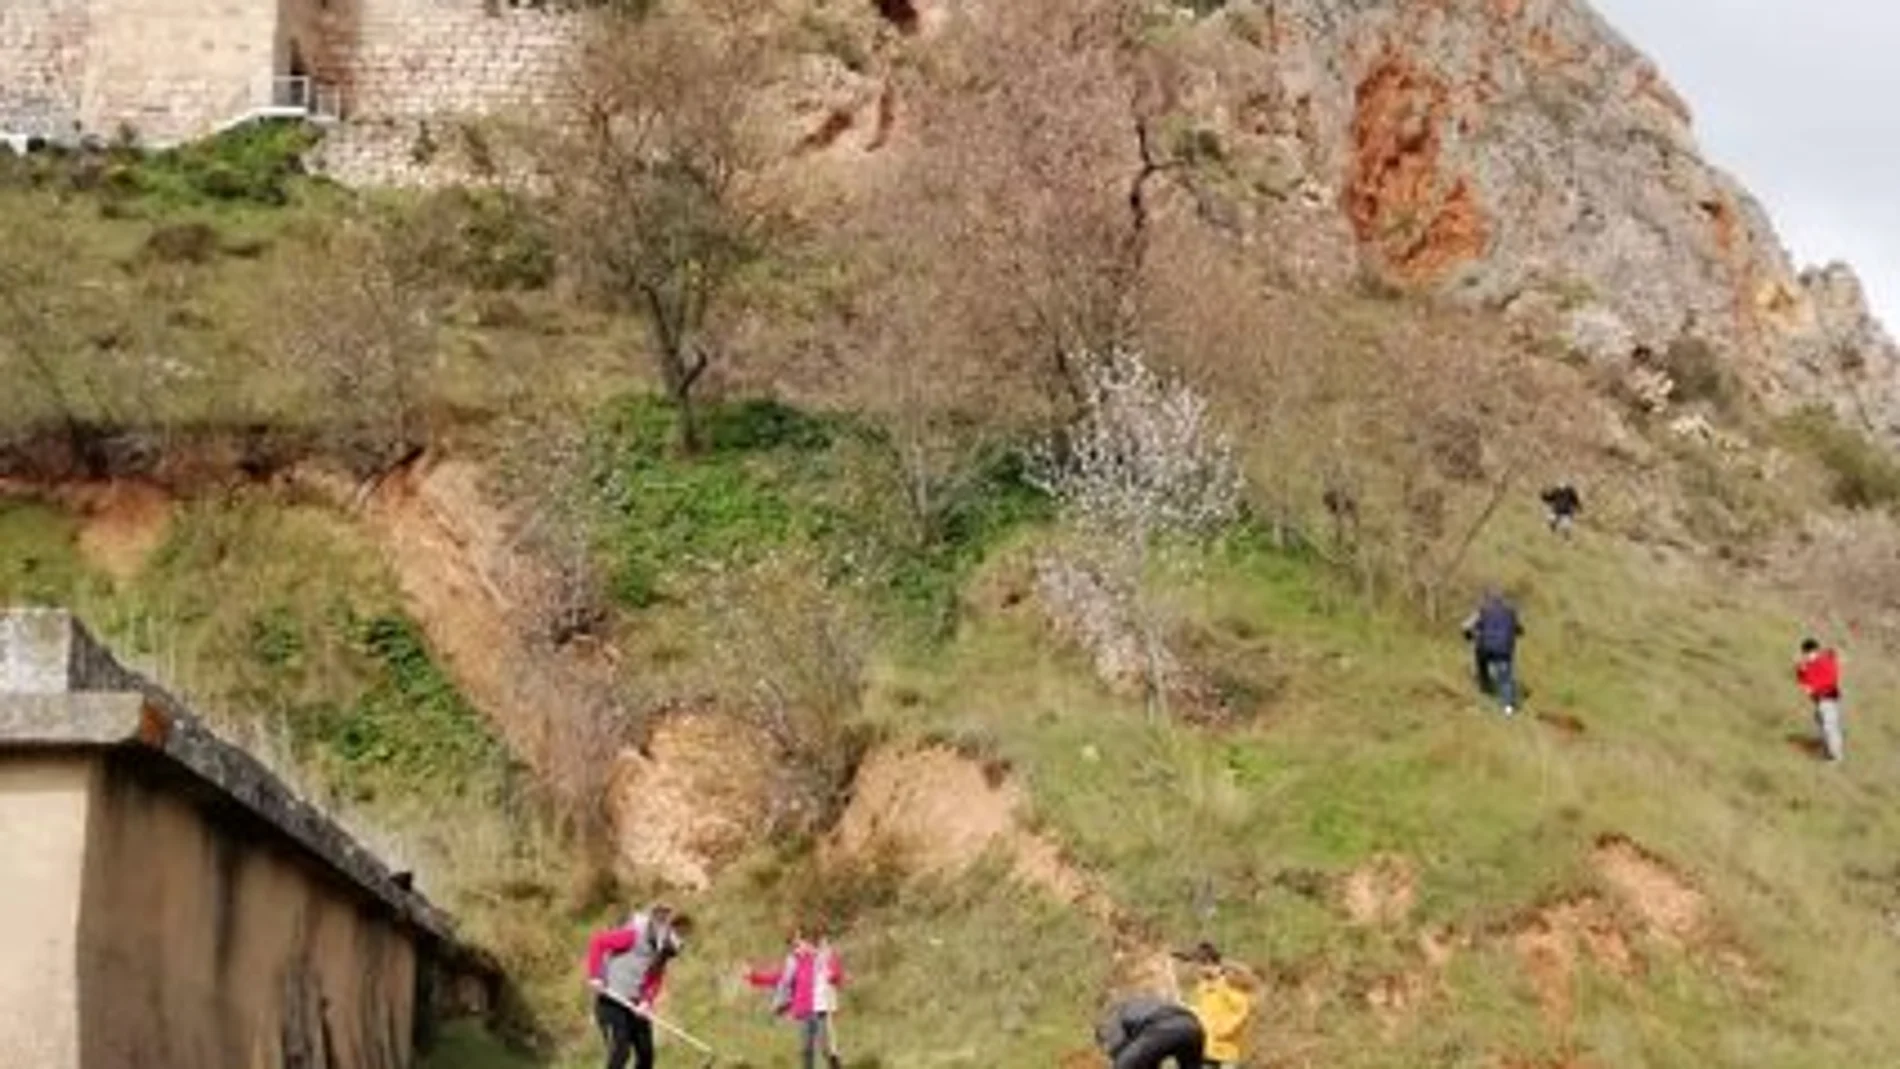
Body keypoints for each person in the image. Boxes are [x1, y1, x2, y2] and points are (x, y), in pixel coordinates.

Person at [584, 904, 694, 1069]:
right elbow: (598, 942)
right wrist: (595, 975)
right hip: (611, 1002)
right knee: (621, 1051)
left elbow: (655, 979)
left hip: (635, 1005)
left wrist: (646, 1002)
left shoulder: (662, 953)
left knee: (646, 1054)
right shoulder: (633, 936)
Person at [746, 922, 847, 1069]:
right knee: (806, 1050)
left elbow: (837, 976)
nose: (797, 946)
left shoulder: (822, 957)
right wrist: (755, 978)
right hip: (804, 1010)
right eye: (793, 944)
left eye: (799, 942)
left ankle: (836, 1065)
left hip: (821, 1010)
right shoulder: (794, 962)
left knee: (826, 1049)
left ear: (808, 941)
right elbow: (780, 979)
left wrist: (832, 975)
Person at [1181, 944, 1255, 1069]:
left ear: (1209, 963)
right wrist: (1190, 1010)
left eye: (1199, 965)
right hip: (1207, 1049)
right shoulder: (1203, 986)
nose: (1196, 970)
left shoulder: (1232, 982)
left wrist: (1222, 1031)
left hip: (1227, 1051)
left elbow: (1243, 1011)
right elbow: (1204, 1012)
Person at [1095, 995, 1206, 1069]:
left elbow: (1118, 1048)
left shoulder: (1112, 1020)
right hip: (1193, 1026)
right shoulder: (1140, 1006)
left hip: (1163, 1027)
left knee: (1122, 1065)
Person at [1461, 587, 1523, 717]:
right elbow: (1519, 629)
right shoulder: (1510, 612)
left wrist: (1468, 636)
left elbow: (1466, 626)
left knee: (1480, 660)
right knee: (1505, 678)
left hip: (1486, 647)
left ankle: (1485, 686)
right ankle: (1508, 707)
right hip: (1504, 650)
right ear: (1502, 600)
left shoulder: (1483, 611)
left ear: (1488, 599)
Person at [1795, 637, 1844, 763]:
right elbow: (1804, 682)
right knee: (1823, 725)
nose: (1806, 656)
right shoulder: (1810, 664)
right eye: (1804, 654)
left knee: (1829, 727)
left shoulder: (1824, 661)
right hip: (1820, 700)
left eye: (1807, 653)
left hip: (1828, 698)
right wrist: (1800, 671)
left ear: (1814, 651)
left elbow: (1831, 679)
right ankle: (1828, 753)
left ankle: (1835, 757)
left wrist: (1814, 688)